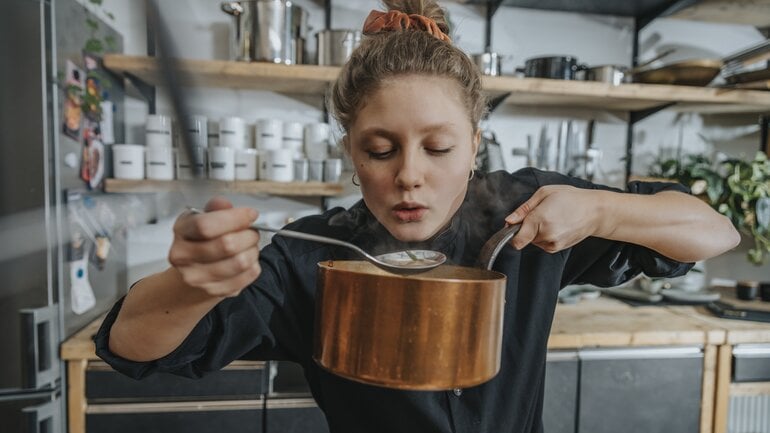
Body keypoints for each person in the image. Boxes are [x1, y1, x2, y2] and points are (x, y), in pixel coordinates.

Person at [95, 1, 740, 432]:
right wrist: (194, 283)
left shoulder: (527, 211)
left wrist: (601, 208)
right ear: (352, 153)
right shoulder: (310, 253)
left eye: (438, 148)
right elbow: (130, 348)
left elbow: (714, 233)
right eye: (381, 150)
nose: (409, 175)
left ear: (475, 145)